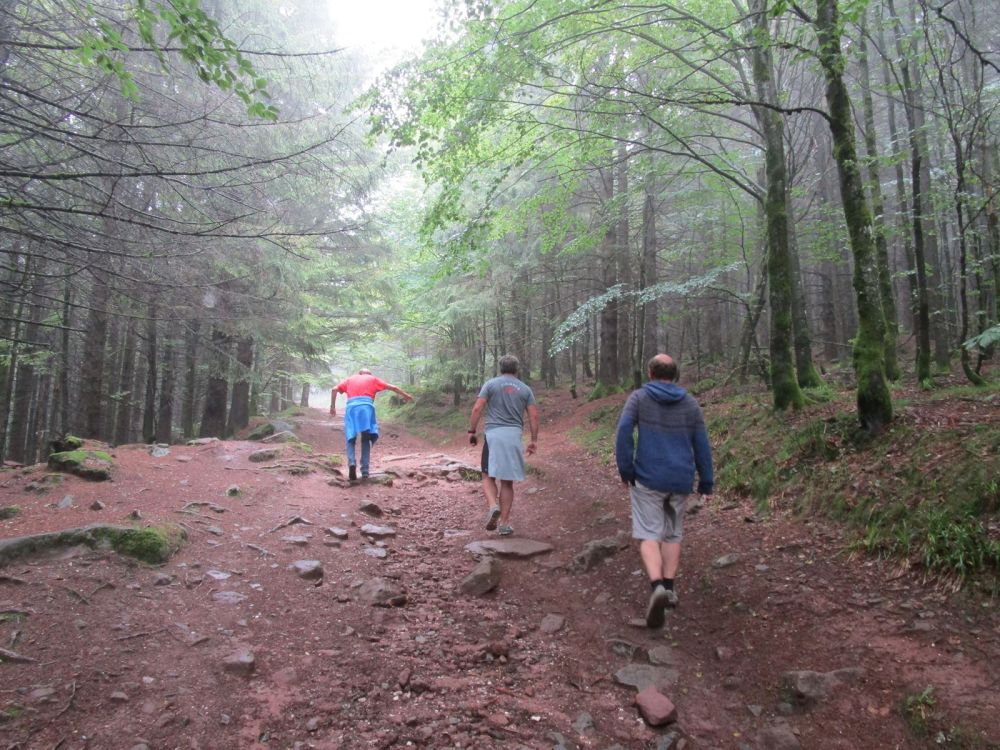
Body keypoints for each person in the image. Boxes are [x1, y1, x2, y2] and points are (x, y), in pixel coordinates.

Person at [615, 354, 713, 628]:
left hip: (648, 477)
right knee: (672, 533)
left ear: (650, 373)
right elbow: (701, 444)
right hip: (680, 479)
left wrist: (626, 469)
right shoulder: (690, 403)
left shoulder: (639, 398)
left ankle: (656, 585)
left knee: (649, 533)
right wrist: (706, 481)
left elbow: (623, 432)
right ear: (675, 374)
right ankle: (669, 588)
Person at [467, 355, 539, 536]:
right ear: (517, 369)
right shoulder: (525, 389)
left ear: (500, 368)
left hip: (494, 435)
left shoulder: (491, 384)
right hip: (514, 436)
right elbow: (533, 415)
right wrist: (533, 440)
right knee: (507, 482)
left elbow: (477, 408)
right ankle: (505, 524)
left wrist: (472, 431)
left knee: (487, 475)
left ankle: (493, 506)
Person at [330, 368, 413, 481]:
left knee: (350, 438)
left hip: (352, 408)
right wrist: (406, 395)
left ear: (360, 374)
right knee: (365, 438)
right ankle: (365, 471)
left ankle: (352, 463)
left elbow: (334, 389)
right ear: (369, 374)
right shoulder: (373, 379)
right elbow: (393, 387)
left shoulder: (350, 379)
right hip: (366, 408)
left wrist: (332, 407)